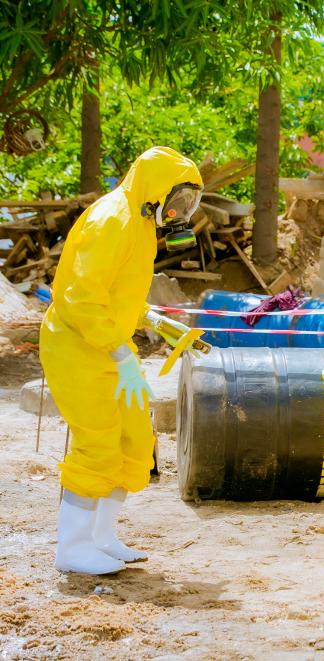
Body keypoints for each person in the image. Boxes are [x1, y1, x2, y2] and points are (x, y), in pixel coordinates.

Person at [41, 146, 203, 575]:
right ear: (156, 187)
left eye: (190, 201)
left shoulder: (142, 218)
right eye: (179, 198)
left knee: (133, 439)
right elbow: (81, 297)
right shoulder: (113, 219)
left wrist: (148, 318)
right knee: (98, 444)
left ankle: (101, 537)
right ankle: (72, 548)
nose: (181, 210)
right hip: (76, 343)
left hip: (108, 343)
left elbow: (119, 286)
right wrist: (117, 349)